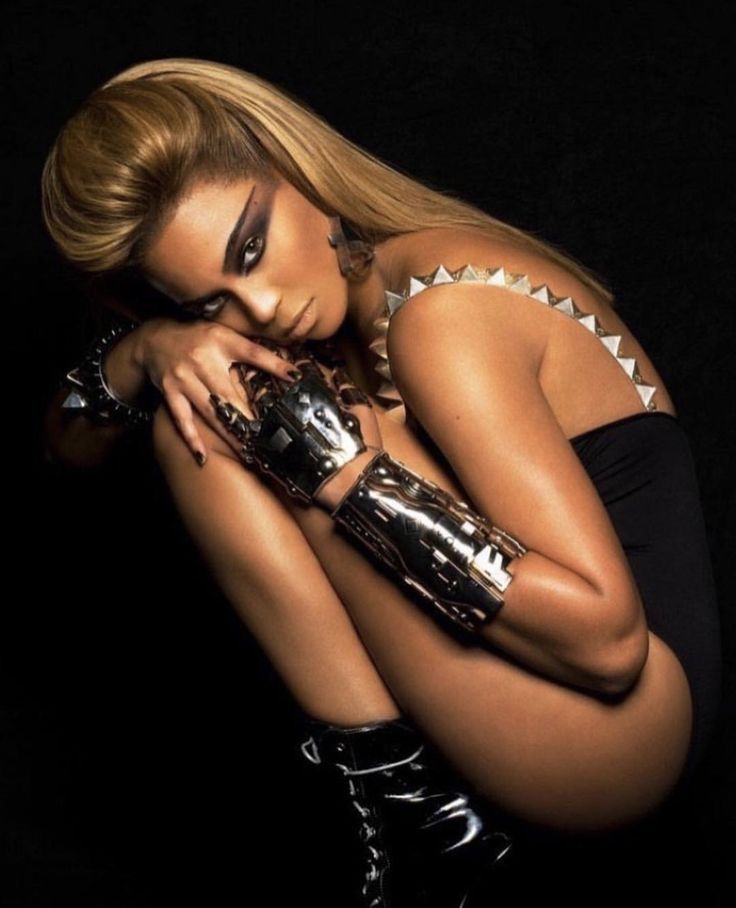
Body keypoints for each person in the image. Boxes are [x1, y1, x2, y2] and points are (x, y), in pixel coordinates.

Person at [41, 57, 722, 907]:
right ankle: (423, 824)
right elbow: (69, 447)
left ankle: (428, 840)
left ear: (287, 163)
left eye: (250, 249)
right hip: (561, 699)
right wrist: (153, 350)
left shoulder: (441, 318)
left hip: (624, 731)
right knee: (202, 390)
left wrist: (338, 473)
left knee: (215, 415)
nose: (258, 308)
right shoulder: (365, 291)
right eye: (209, 302)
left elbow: (610, 648)